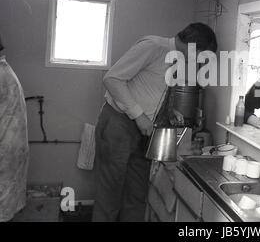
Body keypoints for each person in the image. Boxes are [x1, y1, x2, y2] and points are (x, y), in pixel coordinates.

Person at [92, 23, 217, 222]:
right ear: (192, 46)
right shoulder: (153, 46)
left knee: (137, 194)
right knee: (110, 195)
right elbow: (112, 78)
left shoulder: (177, 60)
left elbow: (151, 92)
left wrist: (170, 111)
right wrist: (139, 115)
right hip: (119, 124)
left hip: (144, 132)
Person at [0, 34, 29, 222]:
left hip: (5, 146)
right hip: (11, 146)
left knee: (4, 202)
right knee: (7, 199)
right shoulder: (6, 70)